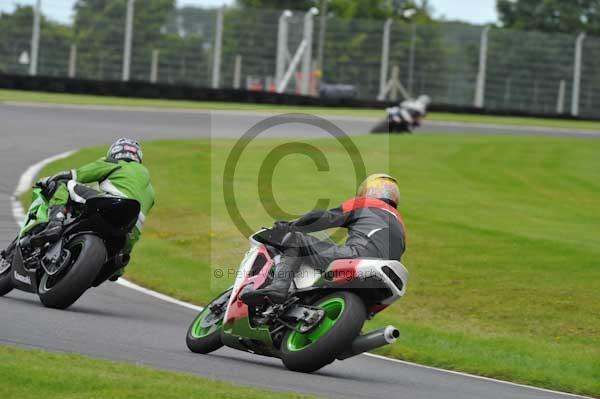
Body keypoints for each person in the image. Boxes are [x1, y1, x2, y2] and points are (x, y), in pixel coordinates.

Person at [1, 138, 155, 280]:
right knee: (121, 251)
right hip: (128, 229)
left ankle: (55, 222)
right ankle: (115, 265)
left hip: (108, 205)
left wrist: (50, 179)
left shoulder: (116, 163)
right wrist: (122, 259)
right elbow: (137, 224)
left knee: (63, 184)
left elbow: (77, 175)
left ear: (114, 152)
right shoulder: (150, 190)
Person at [241, 173, 406, 305]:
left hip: (358, 257)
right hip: (386, 277)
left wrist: (292, 226)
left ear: (367, 191)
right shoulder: (400, 225)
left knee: (296, 239)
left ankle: (279, 286)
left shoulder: (365, 204)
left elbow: (322, 218)